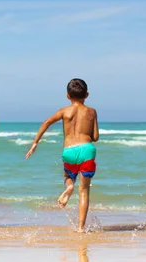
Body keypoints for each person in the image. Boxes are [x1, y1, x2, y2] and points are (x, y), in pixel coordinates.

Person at [26, 78, 99, 232]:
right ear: (87, 94)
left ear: (67, 96)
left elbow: (46, 122)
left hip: (69, 151)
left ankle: (69, 186)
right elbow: (96, 137)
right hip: (87, 149)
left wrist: (35, 143)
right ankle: (80, 228)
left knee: (67, 176)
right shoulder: (92, 112)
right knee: (84, 191)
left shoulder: (64, 111)